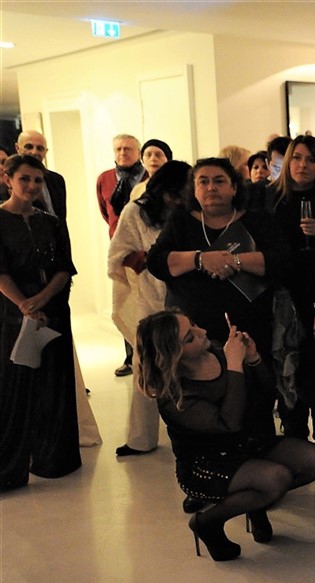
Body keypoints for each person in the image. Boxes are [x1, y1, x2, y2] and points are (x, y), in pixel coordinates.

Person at [135, 309, 315, 561]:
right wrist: (234, 364)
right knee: (276, 479)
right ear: (174, 355)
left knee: (313, 460)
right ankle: (207, 522)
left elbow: (268, 394)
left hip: (248, 443)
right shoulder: (174, 397)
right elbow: (229, 423)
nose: (202, 332)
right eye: (190, 337)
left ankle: (254, 501)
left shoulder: (214, 351)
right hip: (208, 463)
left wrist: (253, 359)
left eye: (194, 324)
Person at [146, 157, 290, 368]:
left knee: (255, 384)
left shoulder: (258, 220)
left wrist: (234, 261)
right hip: (193, 335)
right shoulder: (180, 221)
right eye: (203, 181)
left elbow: (282, 261)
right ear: (194, 189)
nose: (211, 187)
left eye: (219, 181)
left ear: (234, 188)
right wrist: (201, 259)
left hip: (251, 329)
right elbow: (155, 262)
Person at [0, 155, 81, 490]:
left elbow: (64, 268)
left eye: (38, 180)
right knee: (14, 388)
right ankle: (9, 468)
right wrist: (24, 304)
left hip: (53, 309)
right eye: (25, 179)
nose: (32, 186)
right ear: (8, 179)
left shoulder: (51, 221)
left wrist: (42, 299)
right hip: (10, 314)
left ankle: (54, 460)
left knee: (55, 385)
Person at [265, 135, 315, 467]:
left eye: (311, 159)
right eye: (297, 158)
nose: (303, 165)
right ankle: (296, 442)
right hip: (281, 298)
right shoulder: (270, 197)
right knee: (287, 371)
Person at [109, 160, 192, 457]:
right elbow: (118, 254)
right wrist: (154, 258)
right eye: (175, 193)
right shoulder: (135, 212)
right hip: (151, 296)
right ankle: (140, 438)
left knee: (191, 364)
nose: (179, 200)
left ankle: (195, 431)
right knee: (147, 366)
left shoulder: (191, 211)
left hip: (187, 297)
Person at [97, 134, 148, 377]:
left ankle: (150, 354)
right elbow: (105, 212)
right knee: (125, 301)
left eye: (128, 149)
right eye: (118, 149)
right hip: (121, 252)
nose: (122, 153)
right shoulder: (105, 179)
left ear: (138, 152)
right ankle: (131, 356)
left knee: (146, 304)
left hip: (145, 251)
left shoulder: (148, 179)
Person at [15, 130, 66, 220]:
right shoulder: (12, 181)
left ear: (45, 152)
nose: (34, 152)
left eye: (40, 148)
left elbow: (62, 219)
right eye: (29, 147)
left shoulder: (57, 180)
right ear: (17, 148)